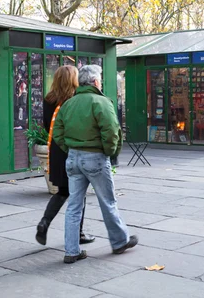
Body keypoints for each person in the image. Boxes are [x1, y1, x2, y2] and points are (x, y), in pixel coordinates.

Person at [53, 65, 137, 264]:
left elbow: (58, 133)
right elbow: (112, 131)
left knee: (74, 205)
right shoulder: (101, 101)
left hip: (73, 158)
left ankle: (71, 251)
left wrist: (71, 149)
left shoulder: (68, 104)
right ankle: (119, 242)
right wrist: (109, 152)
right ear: (96, 82)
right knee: (107, 201)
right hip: (95, 157)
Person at [35, 66, 95, 246]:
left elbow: (47, 125)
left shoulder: (49, 98)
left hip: (56, 148)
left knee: (62, 190)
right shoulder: (75, 98)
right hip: (72, 148)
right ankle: (78, 233)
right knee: (79, 191)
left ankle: (44, 222)